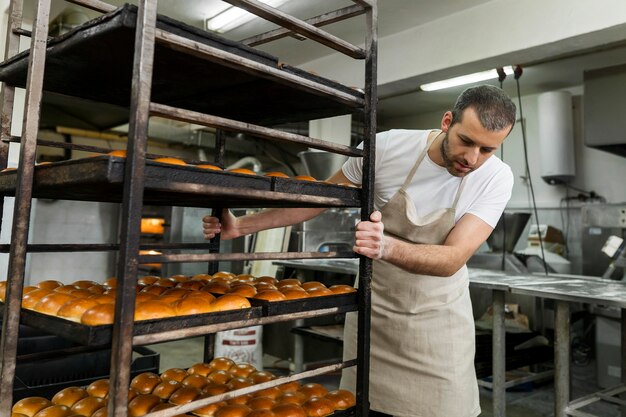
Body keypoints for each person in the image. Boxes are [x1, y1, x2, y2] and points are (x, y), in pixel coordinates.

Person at [202, 84, 517, 417]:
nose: (472, 158)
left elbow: (453, 258)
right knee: (362, 407)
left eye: (487, 150)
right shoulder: (387, 148)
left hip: (438, 321)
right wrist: (243, 226)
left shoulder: (496, 178)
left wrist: (386, 246)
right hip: (375, 312)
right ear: (446, 121)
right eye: (466, 141)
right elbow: (321, 199)